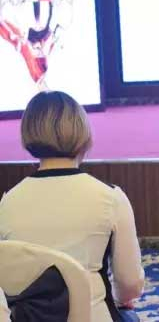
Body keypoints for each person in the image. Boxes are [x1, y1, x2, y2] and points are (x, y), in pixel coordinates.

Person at [0, 91, 145, 322]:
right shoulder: (110, 198)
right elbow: (130, 283)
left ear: (28, 135)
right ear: (83, 133)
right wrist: (120, 299)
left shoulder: (8, 202)